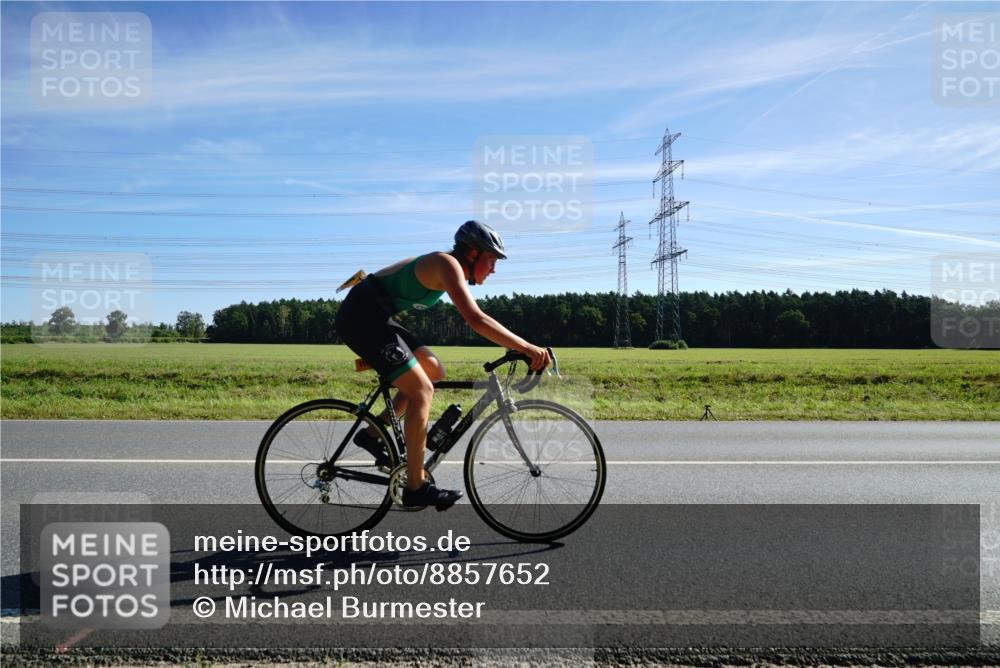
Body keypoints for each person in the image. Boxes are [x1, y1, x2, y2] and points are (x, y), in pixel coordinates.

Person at [334, 220, 550, 510]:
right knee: (422, 390)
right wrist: (526, 347)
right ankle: (415, 486)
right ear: (472, 254)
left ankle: (373, 434)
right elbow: (477, 320)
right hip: (361, 317)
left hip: (376, 316)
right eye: (490, 261)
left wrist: (522, 347)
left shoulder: (446, 265)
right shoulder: (446, 264)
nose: (494, 269)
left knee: (434, 370)